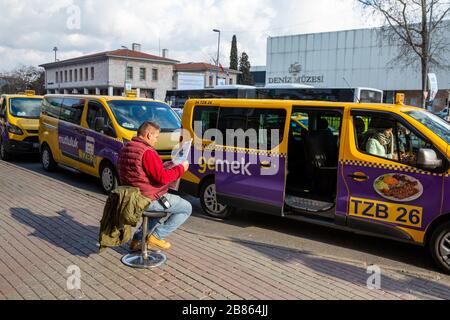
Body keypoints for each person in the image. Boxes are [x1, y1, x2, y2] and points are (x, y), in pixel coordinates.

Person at [117, 121, 191, 251]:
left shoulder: (126, 148)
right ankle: (157, 236)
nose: (156, 141)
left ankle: (138, 240)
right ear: (148, 135)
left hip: (131, 197)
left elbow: (140, 174)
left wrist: (166, 166)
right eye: (156, 137)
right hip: (148, 199)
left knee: (161, 210)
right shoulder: (147, 152)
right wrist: (181, 168)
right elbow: (162, 178)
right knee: (186, 208)